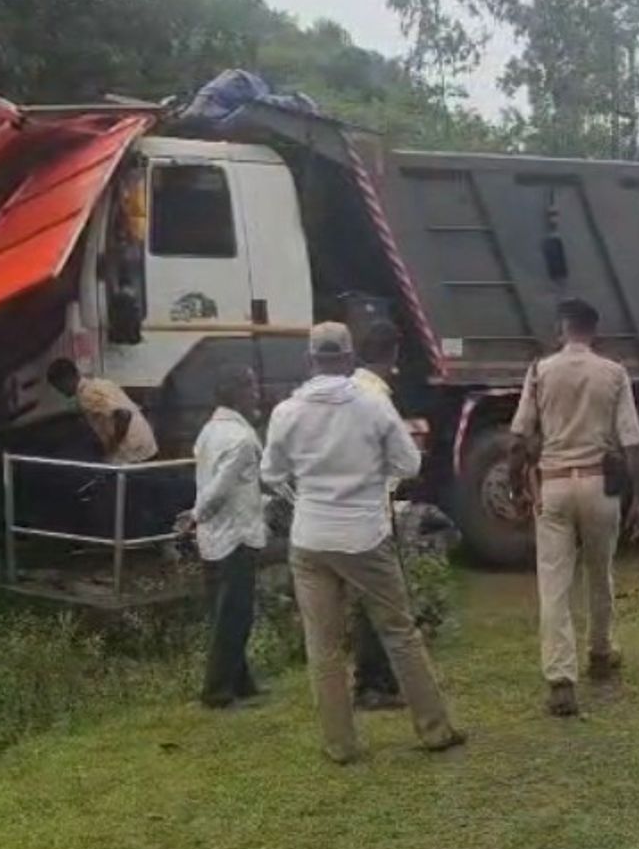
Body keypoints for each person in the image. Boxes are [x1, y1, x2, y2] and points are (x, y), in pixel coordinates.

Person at [261, 321, 464, 764]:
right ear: (350, 358)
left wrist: (303, 494)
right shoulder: (372, 406)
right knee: (399, 632)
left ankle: (340, 744)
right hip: (363, 536)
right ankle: (434, 728)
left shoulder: (287, 412)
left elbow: (271, 473)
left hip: (310, 538)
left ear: (309, 360)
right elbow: (409, 464)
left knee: (323, 645)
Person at [509, 298, 639, 718]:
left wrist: (518, 485)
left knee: (554, 583)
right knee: (599, 572)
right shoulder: (614, 373)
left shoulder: (539, 371)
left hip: (553, 485)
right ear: (595, 331)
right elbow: (634, 441)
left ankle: (561, 679)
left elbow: (519, 438)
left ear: (561, 329)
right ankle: (601, 652)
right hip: (598, 483)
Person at [189, 365, 267, 709]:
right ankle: (217, 690)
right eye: (250, 387)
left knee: (226, 612)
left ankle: (241, 682)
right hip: (237, 534)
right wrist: (195, 515)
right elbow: (219, 490)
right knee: (236, 615)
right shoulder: (242, 439)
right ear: (236, 393)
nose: (256, 393)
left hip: (214, 536)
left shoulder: (208, 431)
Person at [350, 320, 407, 711]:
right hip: (372, 510)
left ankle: (372, 679)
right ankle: (376, 683)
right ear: (394, 354)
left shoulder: (346, 388)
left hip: (344, 509)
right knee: (384, 602)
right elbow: (402, 460)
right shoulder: (378, 397)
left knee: (365, 601)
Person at [47, 358, 157, 464]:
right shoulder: (101, 383)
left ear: (65, 380)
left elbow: (124, 415)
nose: (59, 391)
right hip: (147, 444)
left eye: (57, 386)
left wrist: (112, 446)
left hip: (132, 451)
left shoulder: (87, 395)